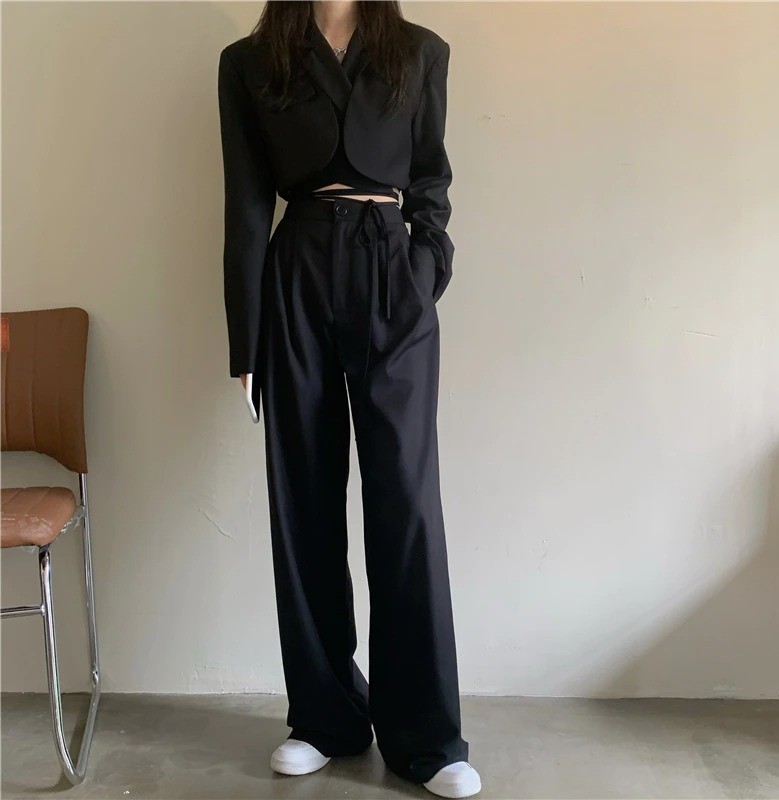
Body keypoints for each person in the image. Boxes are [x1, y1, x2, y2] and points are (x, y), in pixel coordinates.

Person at [217, 2, 480, 797]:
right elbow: (246, 202)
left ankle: (427, 738)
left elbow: (430, 180)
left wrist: (422, 276)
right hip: (296, 272)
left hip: (390, 272)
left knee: (406, 501)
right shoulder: (250, 61)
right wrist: (246, 339)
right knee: (303, 500)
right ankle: (323, 718)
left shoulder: (419, 51)